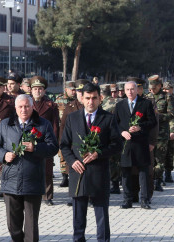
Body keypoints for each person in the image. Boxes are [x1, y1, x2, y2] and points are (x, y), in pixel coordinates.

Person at [0, 94, 58, 242]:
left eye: (27, 106)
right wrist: (4, 155)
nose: (24, 109)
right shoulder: (6, 124)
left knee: (31, 226)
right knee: (13, 225)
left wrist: (36, 147)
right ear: (15, 108)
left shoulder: (43, 124)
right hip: (10, 180)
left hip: (33, 180)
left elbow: (53, 148)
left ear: (32, 107)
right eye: (20, 106)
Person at [60, 83, 122, 242]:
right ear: (81, 98)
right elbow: (65, 145)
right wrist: (72, 161)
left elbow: (117, 145)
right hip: (78, 173)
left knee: (101, 216)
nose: (91, 101)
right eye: (87, 98)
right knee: (78, 217)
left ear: (100, 98)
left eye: (94, 98)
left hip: (99, 173)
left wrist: (98, 153)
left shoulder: (108, 118)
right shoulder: (72, 118)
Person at [114, 81, 157, 209]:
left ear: (137, 90)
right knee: (126, 173)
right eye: (127, 89)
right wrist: (122, 132)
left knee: (143, 172)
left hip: (141, 143)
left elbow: (152, 121)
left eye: (132, 89)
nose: (130, 92)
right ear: (124, 91)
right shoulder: (120, 105)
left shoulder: (145, 104)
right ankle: (128, 200)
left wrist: (140, 127)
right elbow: (114, 124)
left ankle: (144, 200)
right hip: (126, 144)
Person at [30, 76, 60, 206]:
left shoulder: (51, 105)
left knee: (47, 170)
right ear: (31, 90)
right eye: (35, 89)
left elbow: (55, 125)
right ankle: (32, 194)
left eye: (40, 89)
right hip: (29, 140)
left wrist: (53, 142)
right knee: (30, 169)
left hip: (45, 141)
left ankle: (47, 196)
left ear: (44, 90)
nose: (38, 91)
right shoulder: (26, 103)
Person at [59, 79, 88, 206]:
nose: (81, 94)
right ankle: (74, 196)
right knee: (74, 172)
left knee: (88, 172)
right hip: (73, 147)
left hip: (89, 148)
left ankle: (89, 196)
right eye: (79, 91)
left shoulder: (91, 106)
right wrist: (63, 143)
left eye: (83, 91)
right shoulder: (69, 107)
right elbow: (63, 127)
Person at [146, 75, 174, 191]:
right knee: (149, 159)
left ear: (159, 86)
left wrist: (157, 116)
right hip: (149, 134)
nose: (152, 90)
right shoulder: (147, 97)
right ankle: (149, 180)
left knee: (160, 160)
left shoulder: (167, 97)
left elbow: (171, 114)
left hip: (162, 134)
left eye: (154, 87)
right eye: (150, 88)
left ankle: (157, 181)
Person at [100, 84, 122, 194]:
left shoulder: (102, 104)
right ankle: (116, 184)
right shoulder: (119, 102)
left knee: (109, 161)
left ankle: (111, 184)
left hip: (106, 137)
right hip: (120, 136)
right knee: (117, 161)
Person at [55, 81, 76, 187]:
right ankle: (64, 177)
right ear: (66, 89)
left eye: (74, 90)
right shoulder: (59, 100)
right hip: (62, 130)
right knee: (62, 155)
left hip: (72, 131)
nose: (73, 92)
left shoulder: (77, 101)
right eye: (71, 90)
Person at [162, 81, 174, 183]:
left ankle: (168, 174)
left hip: (171, 129)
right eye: (164, 89)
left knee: (170, 152)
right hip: (163, 130)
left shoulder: (172, 99)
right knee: (163, 153)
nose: (166, 91)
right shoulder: (163, 99)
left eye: (168, 89)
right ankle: (160, 176)